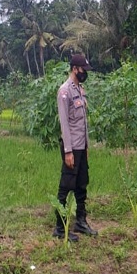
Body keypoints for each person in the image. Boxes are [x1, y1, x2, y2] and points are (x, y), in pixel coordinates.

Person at [54, 53, 98, 241]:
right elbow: (65, 123)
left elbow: (83, 122)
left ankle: (81, 221)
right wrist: (68, 151)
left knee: (81, 184)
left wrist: (86, 146)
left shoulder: (80, 89)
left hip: (82, 145)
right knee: (66, 185)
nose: (84, 74)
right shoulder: (65, 91)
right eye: (82, 70)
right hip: (71, 147)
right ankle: (59, 227)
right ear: (74, 69)